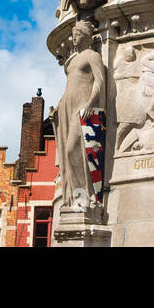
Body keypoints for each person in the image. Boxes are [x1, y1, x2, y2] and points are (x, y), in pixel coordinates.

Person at [55, 20, 106, 211]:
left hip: (82, 106)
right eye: (73, 35)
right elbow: (70, 85)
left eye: (76, 35)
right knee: (67, 154)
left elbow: (99, 83)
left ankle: (87, 192)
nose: (73, 38)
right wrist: (59, 104)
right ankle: (77, 194)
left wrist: (89, 104)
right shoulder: (71, 61)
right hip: (67, 106)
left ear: (85, 36)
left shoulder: (92, 56)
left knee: (73, 148)